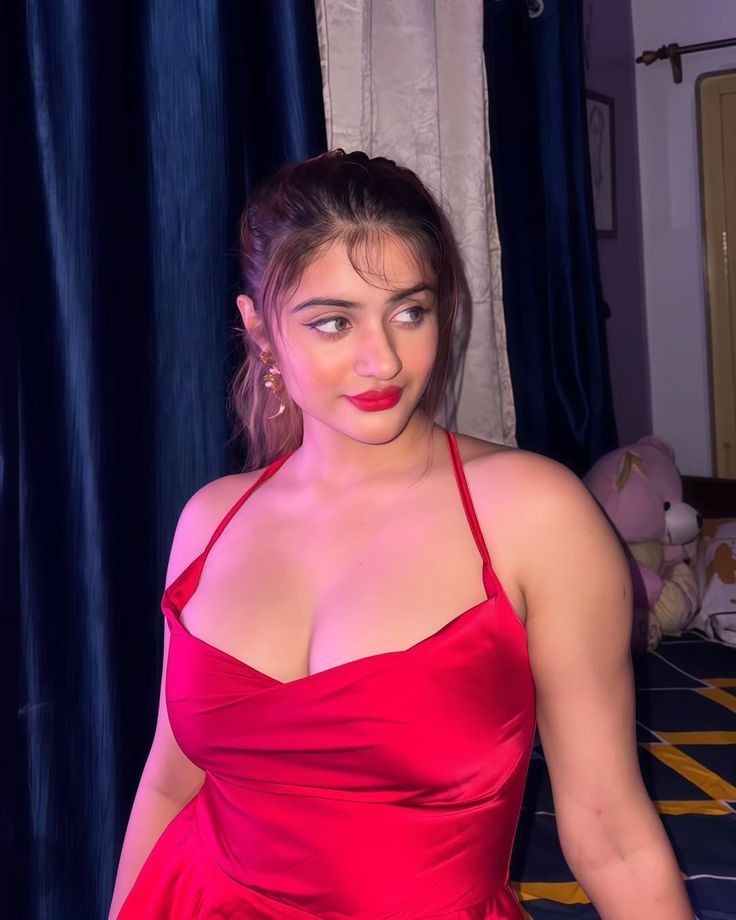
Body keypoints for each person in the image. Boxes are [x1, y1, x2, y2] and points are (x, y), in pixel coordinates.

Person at [109, 150, 692, 919]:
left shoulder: (533, 515)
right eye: (333, 322)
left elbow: (611, 833)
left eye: (409, 312)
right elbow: (169, 782)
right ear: (260, 331)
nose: (382, 359)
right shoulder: (209, 521)